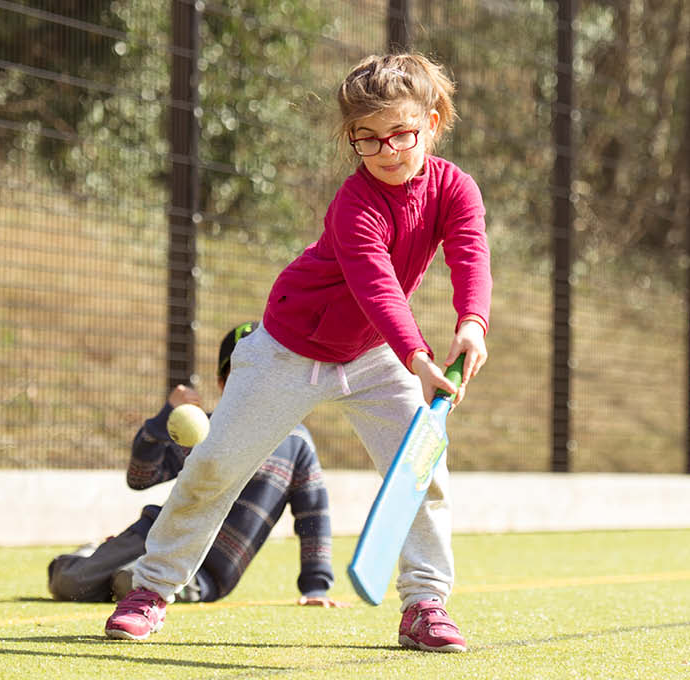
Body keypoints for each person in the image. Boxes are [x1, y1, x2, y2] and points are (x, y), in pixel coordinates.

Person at [104, 53, 491, 652]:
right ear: (352, 139)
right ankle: (151, 590)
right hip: (288, 349)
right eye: (367, 139)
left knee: (422, 472)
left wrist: (472, 323)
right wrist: (418, 356)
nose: (387, 150)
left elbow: (470, 252)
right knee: (214, 467)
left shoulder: (455, 189)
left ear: (434, 123)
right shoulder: (355, 204)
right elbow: (376, 287)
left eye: (401, 134)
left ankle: (425, 604)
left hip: (373, 356)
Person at [49, 322, 342, 607]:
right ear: (222, 384)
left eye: (264, 378)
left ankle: (127, 574)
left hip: (209, 573)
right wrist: (165, 418)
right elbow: (140, 477)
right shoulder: (205, 427)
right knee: (70, 583)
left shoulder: (296, 441)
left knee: (129, 581)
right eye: (240, 377)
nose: (253, 388)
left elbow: (313, 513)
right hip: (156, 537)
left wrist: (316, 584)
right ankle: (95, 553)